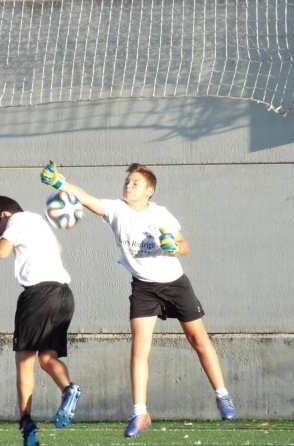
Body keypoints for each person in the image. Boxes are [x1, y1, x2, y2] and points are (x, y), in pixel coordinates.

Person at [40, 161, 237, 438]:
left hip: (175, 284)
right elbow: (86, 199)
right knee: (139, 348)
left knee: (198, 340)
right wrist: (59, 182)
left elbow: (185, 245)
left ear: (149, 191)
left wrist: (174, 246)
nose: (128, 186)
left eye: (135, 183)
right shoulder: (116, 210)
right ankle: (140, 413)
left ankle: (223, 396)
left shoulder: (161, 215)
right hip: (144, 288)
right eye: (127, 182)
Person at [0, 195, 81, 446]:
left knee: (24, 362)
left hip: (37, 296)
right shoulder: (39, 222)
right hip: (63, 294)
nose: (0, 232)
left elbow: (1, 252)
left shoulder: (16, 221)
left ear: (3, 216)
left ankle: (26, 421)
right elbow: (59, 249)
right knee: (47, 359)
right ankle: (68, 389)